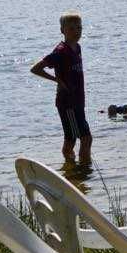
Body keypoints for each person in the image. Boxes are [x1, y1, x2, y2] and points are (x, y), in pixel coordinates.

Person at [30, 12, 89, 163]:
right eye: (71, 29)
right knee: (75, 139)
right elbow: (35, 68)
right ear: (62, 30)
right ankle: (73, 167)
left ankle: (80, 170)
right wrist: (57, 80)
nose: (76, 32)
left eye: (79, 28)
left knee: (85, 138)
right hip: (67, 102)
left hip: (78, 100)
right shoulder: (60, 51)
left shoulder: (77, 48)